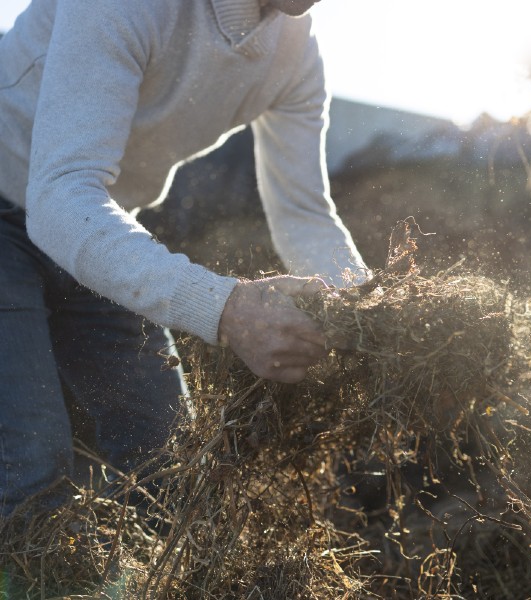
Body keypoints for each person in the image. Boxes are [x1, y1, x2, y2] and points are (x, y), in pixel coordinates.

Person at [0, 0, 368, 517]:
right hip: (32, 204)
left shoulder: (295, 54)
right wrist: (227, 308)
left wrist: (374, 313)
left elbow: (305, 214)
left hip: (98, 224)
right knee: (30, 472)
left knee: (171, 470)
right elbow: (59, 197)